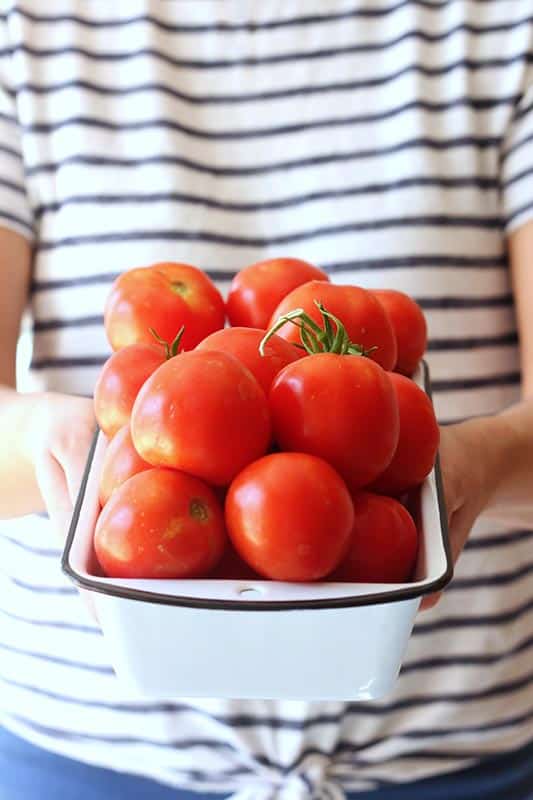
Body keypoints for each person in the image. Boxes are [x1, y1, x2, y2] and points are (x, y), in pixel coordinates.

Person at [0, 1, 532, 798]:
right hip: (90, 759)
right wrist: (53, 446)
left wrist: (475, 463)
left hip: (462, 753)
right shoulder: (28, 32)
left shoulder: (504, 27)